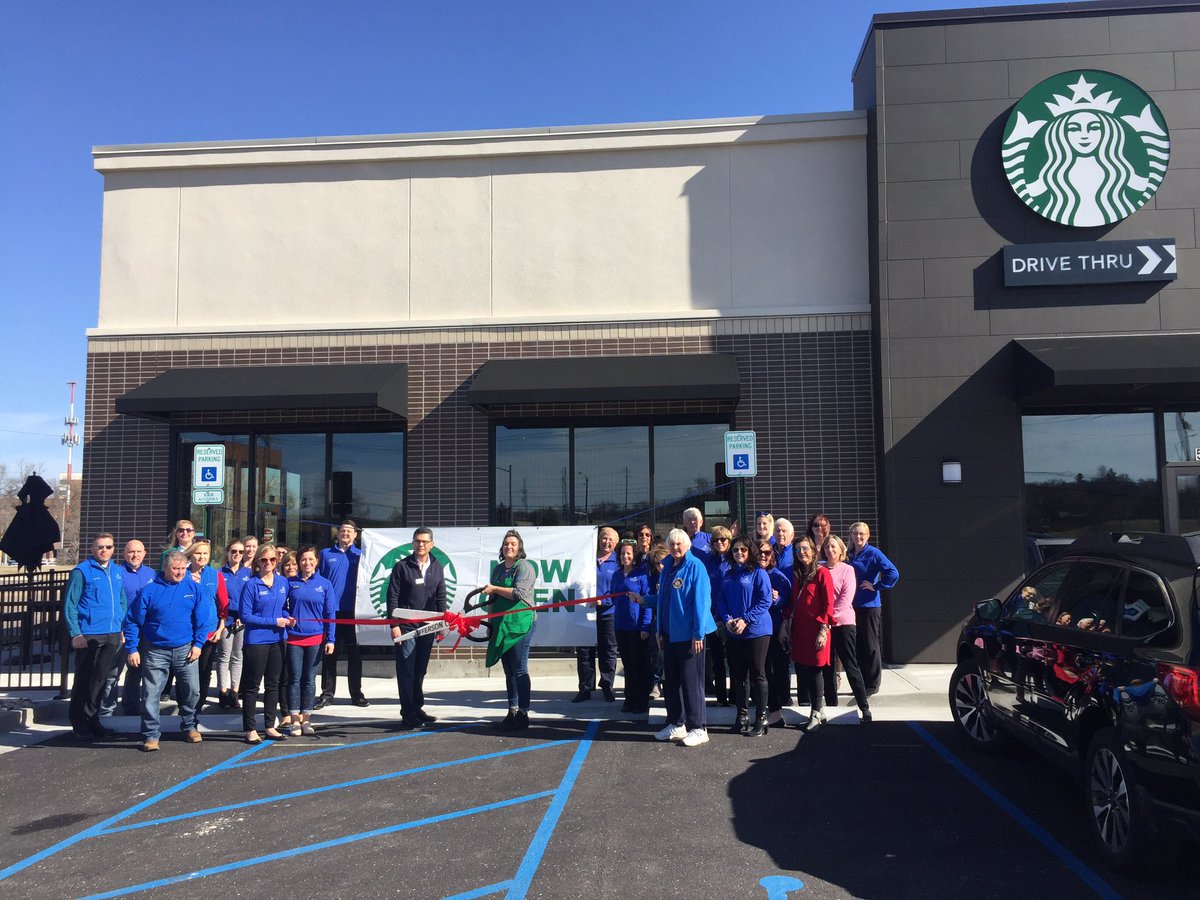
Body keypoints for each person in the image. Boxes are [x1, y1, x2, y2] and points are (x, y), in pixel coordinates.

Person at [628, 528, 715, 748]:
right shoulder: (667, 567)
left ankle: (698, 727)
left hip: (689, 635)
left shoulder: (695, 567)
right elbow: (663, 598)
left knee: (691, 683)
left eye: (679, 544)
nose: (676, 548)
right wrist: (643, 600)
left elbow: (701, 603)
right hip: (668, 635)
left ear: (687, 545)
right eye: (672, 544)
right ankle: (677, 723)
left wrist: (698, 633)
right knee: (672, 682)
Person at [123, 550, 213, 751]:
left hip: (186, 649)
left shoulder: (193, 588)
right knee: (151, 693)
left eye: (183, 569)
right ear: (165, 568)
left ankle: (190, 726)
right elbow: (132, 621)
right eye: (176, 569)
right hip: (155, 650)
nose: (180, 572)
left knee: (192, 690)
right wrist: (132, 648)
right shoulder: (149, 591)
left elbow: (203, 620)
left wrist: (198, 645)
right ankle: (151, 734)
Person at [64, 533, 128, 740]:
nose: (104, 550)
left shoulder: (117, 571)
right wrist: (76, 633)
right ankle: (78, 722)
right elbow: (70, 604)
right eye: (100, 547)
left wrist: (121, 626)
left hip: (112, 634)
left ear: (113, 549)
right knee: (84, 679)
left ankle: (93, 720)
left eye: (108, 547)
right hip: (89, 634)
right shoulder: (82, 571)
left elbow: (122, 600)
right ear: (92, 549)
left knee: (100, 680)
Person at [386, 526, 448, 728]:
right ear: (412, 543)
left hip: (428, 628)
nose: (420, 544)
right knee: (407, 669)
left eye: (424, 541)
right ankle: (408, 712)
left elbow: (441, 596)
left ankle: (417, 707)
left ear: (432, 544)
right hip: (406, 627)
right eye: (417, 541)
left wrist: (441, 623)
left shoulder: (437, 566)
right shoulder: (402, 566)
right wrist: (394, 624)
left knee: (420, 669)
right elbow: (392, 597)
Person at [476, 529, 538, 731]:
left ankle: (524, 712)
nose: (509, 546)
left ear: (519, 547)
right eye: (506, 544)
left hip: (520, 623)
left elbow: (519, 594)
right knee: (509, 670)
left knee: (520, 668)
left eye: (513, 543)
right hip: (502, 624)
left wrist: (494, 588)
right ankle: (512, 710)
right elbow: (492, 600)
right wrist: (490, 624)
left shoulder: (525, 567)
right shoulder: (498, 569)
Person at [717, 536, 774, 736]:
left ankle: (761, 717)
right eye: (735, 550)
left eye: (743, 549)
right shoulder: (728, 573)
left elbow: (765, 600)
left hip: (756, 631)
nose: (739, 553)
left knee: (757, 673)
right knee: (738, 675)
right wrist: (728, 619)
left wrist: (745, 619)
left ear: (750, 551)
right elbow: (720, 599)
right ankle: (742, 716)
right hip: (734, 631)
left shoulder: (759, 573)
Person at [238, 544, 291, 743]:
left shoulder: (283, 582)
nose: (268, 563)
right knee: (252, 686)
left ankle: (270, 725)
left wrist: (288, 618)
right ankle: (250, 728)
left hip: (278, 639)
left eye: (272, 560)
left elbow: (284, 609)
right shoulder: (251, 585)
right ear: (258, 562)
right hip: (257, 640)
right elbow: (245, 615)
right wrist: (273, 621)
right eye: (264, 560)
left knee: (273, 684)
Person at [782, 536, 834, 732]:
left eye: (805, 548)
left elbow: (829, 604)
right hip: (800, 630)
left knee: (816, 671)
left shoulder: (822, 573)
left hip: (817, 630)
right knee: (803, 670)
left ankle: (816, 711)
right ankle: (818, 710)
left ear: (813, 550)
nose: (801, 552)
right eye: (797, 550)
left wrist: (824, 629)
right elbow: (793, 601)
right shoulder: (797, 575)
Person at [100, 539, 155, 719]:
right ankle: (107, 710)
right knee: (113, 671)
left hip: (144, 631)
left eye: (139, 551)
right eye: (131, 552)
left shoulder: (151, 574)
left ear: (145, 553)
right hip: (121, 630)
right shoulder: (116, 573)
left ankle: (131, 705)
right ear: (124, 554)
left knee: (137, 670)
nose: (135, 555)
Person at [285, 546, 337, 736]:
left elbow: (330, 614)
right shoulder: (289, 583)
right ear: (299, 562)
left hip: (315, 638)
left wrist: (330, 639)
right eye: (303, 560)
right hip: (293, 639)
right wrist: (286, 617)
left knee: (309, 679)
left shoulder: (325, 584)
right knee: (294, 679)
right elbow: (282, 607)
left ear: (317, 562)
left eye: (311, 559)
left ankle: (306, 719)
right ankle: (294, 721)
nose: (307, 563)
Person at [820, 534, 871, 723]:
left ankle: (864, 707)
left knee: (850, 665)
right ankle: (831, 706)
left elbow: (845, 599)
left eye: (833, 547)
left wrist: (828, 620)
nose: (830, 550)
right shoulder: (819, 569)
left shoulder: (847, 570)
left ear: (841, 550)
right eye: (826, 547)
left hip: (843, 624)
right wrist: (823, 623)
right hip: (823, 626)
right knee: (827, 667)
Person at [317, 521, 367, 709]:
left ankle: (356, 694)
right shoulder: (325, 554)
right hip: (331, 612)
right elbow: (319, 580)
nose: (346, 534)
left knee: (355, 654)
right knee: (330, 654)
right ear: (337, 534)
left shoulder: (361, 555)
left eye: (349, 531)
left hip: (354, 611)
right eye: (343, 531)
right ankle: (327, 694)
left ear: (355, 535)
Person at [847, 522, 899, 696]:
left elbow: (893, 573)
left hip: (869, 606)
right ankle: (862, 680)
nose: (858, 537)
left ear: (868, 536)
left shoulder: (874, 553)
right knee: (858, 645)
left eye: (862, 534)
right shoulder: (850, 554)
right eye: (855, 533)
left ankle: (873, 683)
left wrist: (876, 585)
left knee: (870, 645)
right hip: (852, 606)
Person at [574, 526, 619, 703]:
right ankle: (585, 688)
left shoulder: (618, 562)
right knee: (584, 651)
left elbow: (619, 589)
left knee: (608, 651)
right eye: (603, 538)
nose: (606, 542)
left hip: (608, 613)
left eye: (610, 539)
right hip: (586, 613)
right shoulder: (587, 560)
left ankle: (607, 686)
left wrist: (604, 601)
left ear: (615, 542)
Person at [186, 540, 228, 714]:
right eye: (198, 553)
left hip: (210, 631)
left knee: (204, 670)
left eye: (205, 553)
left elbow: (223, 602)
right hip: (187, 631)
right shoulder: (182, 574)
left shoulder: (214, 575)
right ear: (191, 555)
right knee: (186, 671)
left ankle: (199, 704)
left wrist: (220, 628)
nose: (202, 557)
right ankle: (186, 703)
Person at [611, 540, 652, 717]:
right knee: (628, 665)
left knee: (639, 665)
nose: (625, 556)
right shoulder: (616, 575)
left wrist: (645, 626)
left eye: (628, 553)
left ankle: (641, 701)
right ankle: (629, 700)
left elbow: (648, 602)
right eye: (622, 554)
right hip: (621, 626)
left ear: (634, 556)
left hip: (638, 628)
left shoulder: (642, 575)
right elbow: (613, 598)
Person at [756, 539, 793, 728]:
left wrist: (777, 601)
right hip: (755, 630)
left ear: (772, 556)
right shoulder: (752, 573)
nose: (763, 556)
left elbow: (789, 603)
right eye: (759, 552)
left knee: (774, 670)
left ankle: (778, 709)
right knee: (760, 670)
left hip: (775, 630)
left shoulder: (778, 576)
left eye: (767, 553)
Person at [697, 525, 732, 706]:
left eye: (723, 539)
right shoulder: (707, 560)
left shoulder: (734, 560)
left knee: (735, 660)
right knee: (716, 660)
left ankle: (736, 695)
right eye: (716, 540)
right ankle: (721, 697)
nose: (719, 543)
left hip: (731, 615)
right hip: (711, 616)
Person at [216, 538, 251, 709]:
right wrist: (233, 610)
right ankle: (223, 691)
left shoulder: (248, 574)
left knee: (238, 657)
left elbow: (250, 598)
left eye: (240, 552)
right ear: (228, 553)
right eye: (234, 551)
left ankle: (234, 692)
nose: (237, 554)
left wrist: (243, 614)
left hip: (242, 621)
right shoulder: (219, 574)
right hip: (225, 620)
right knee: (224, 657)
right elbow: (220, 599)